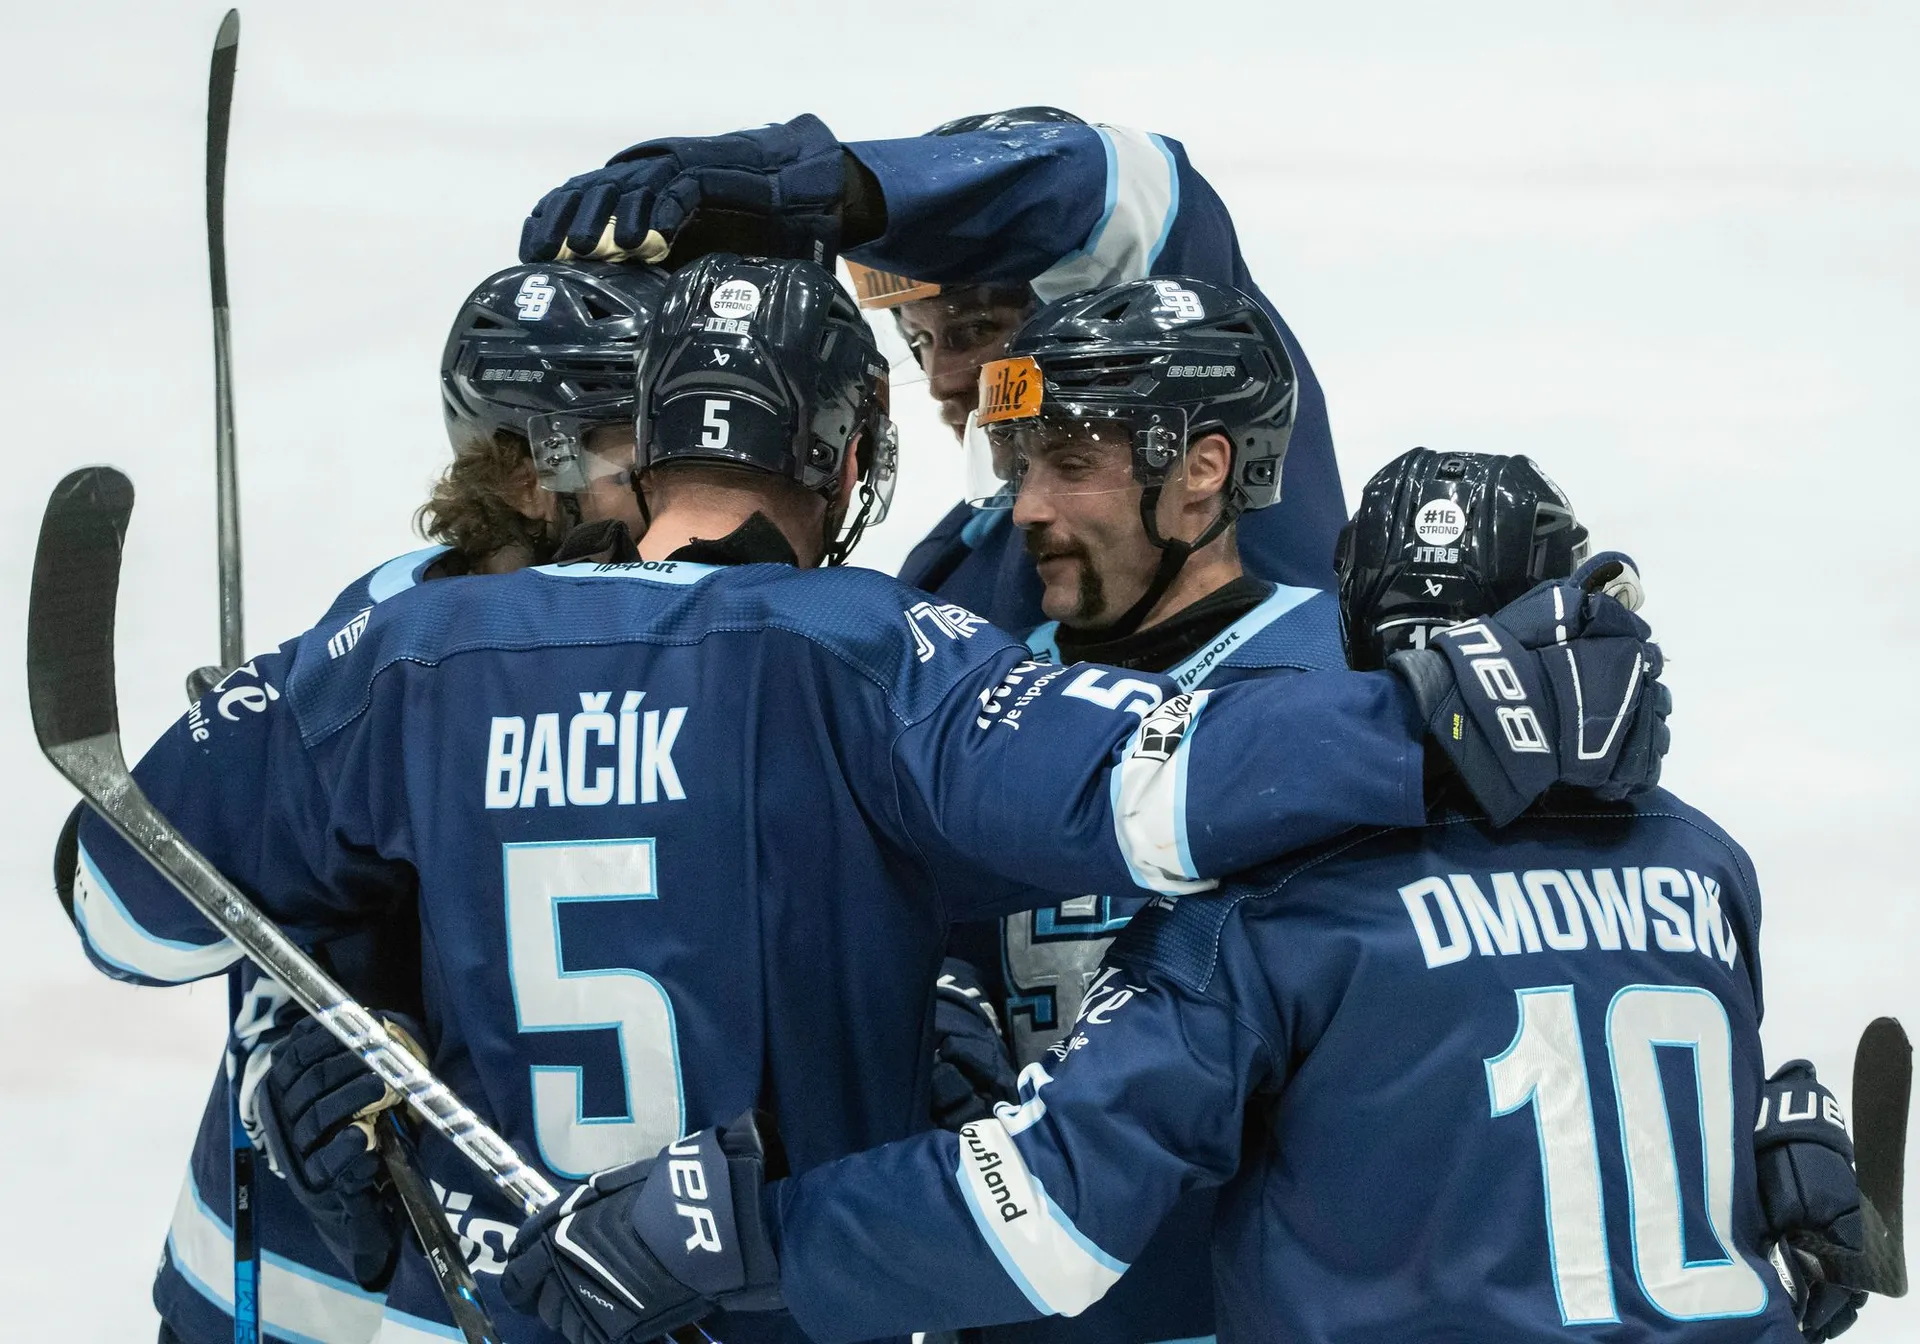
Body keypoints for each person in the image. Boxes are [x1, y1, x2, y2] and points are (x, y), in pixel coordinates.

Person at [65, 256, 1665, 1344]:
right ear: (843, 465)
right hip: (777, 1296)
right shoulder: (866, 649)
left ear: (640, 449)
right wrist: (1445, 717)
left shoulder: (406, 641)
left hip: (462, 1301)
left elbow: (124, 910)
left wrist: (339, 966)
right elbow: (1155, 790)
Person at [502, 450, 1856, 1344]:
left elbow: (1050, 1216)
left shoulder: (1271, 909)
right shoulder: (1702, 866)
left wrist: (749, 1237)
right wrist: (1772, 1191)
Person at [56, 258, 669, 1344]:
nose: (689, 482)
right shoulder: (378, 657)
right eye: (645, 455)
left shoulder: (672, 639)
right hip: (287, 1294)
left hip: (518, 1288)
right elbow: (120, 913)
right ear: (531, 475)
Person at [926, 270, 1348, 1343]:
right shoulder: (964, 687)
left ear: (1203, 469)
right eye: (1021, 463)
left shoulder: (1345, 676)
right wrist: (928, 1001)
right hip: (1026, 1301)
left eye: (1072, 464)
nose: (1029, 508)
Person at [515, 108, 1348, 627]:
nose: (948, 379)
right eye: (921, 342)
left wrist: (819, 187)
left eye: (977, 329)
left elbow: (1127, 184)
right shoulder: (952, 565)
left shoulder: (1218, 435)